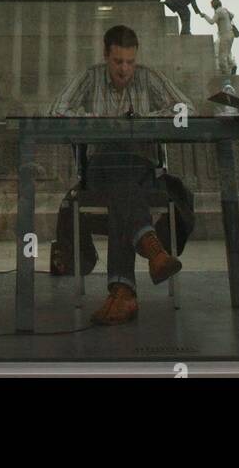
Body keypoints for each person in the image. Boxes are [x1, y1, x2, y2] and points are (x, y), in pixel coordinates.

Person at [49, 24, 192, 327]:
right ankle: (151, 248)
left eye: (130, 62)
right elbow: (56, 110)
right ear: (106, 57)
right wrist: (95, 121)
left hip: (140, 167)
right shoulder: (90, 77)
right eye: (118, 62)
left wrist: (146, 120)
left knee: (123, 191)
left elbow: (185, 109)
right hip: (101, 165)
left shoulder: (148, 77)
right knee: (120, 177)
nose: (125, 69)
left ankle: (123, 293)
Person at [201, 0, 239, 78]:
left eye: (212, 6)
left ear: (214, 5)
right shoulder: (224, 10)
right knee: (227, 53)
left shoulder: (218, 11)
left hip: (224, 35)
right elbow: (232, 15)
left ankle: (226, 75)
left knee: (221, 57)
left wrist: (204, 16)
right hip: (231, 34)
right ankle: (233, 66)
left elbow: (211, 21)